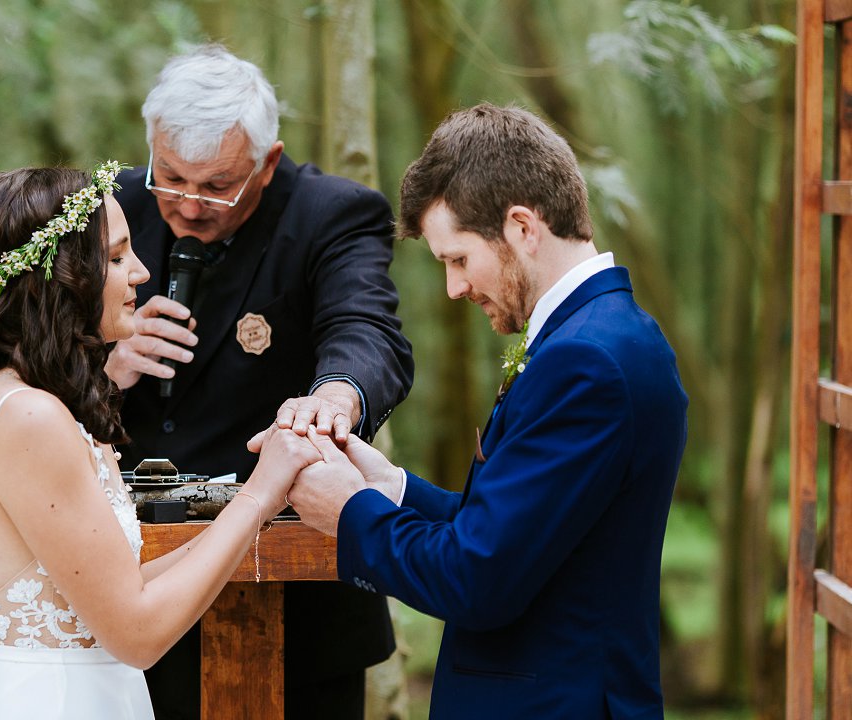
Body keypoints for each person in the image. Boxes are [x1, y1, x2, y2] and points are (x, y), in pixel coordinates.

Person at [0, 163, 321, 719]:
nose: (140, 272)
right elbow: (138, 633)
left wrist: (260, 505)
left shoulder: (26, 400)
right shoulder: (29, 417)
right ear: (62, 278)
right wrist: (261, 490)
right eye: (115, 258)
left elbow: (124, 584)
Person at [285, 104, 689, 718]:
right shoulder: (608, 336)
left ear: (523, 227)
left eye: (458, 259)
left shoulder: (586, 362)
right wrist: (386, 485)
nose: (454, 288)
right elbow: (511, 535)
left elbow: (477, 580)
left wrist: (349, 512)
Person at [105, 45, 414, 718]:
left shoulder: (332, 214)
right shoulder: (110, 206)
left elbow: (368, 332)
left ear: (268, 162)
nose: (186, 207)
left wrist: (334, 398)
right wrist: (104, 368)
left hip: (301, 613)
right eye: (171, 178)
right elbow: (35, 358)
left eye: (217, 186)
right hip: (130, 593)